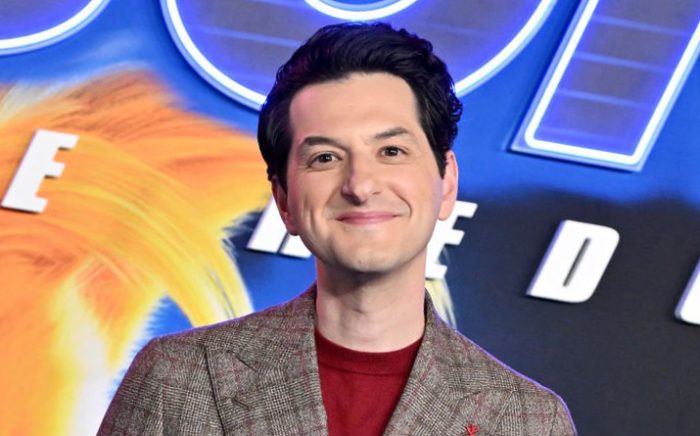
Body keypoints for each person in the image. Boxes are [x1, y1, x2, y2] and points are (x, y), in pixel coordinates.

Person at [98, 22, 577, 435]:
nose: (360, 185)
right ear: (284, 200)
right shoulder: (179, 378)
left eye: (391, 151)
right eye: (325, 158)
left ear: (446, 180)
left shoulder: (528, 421)